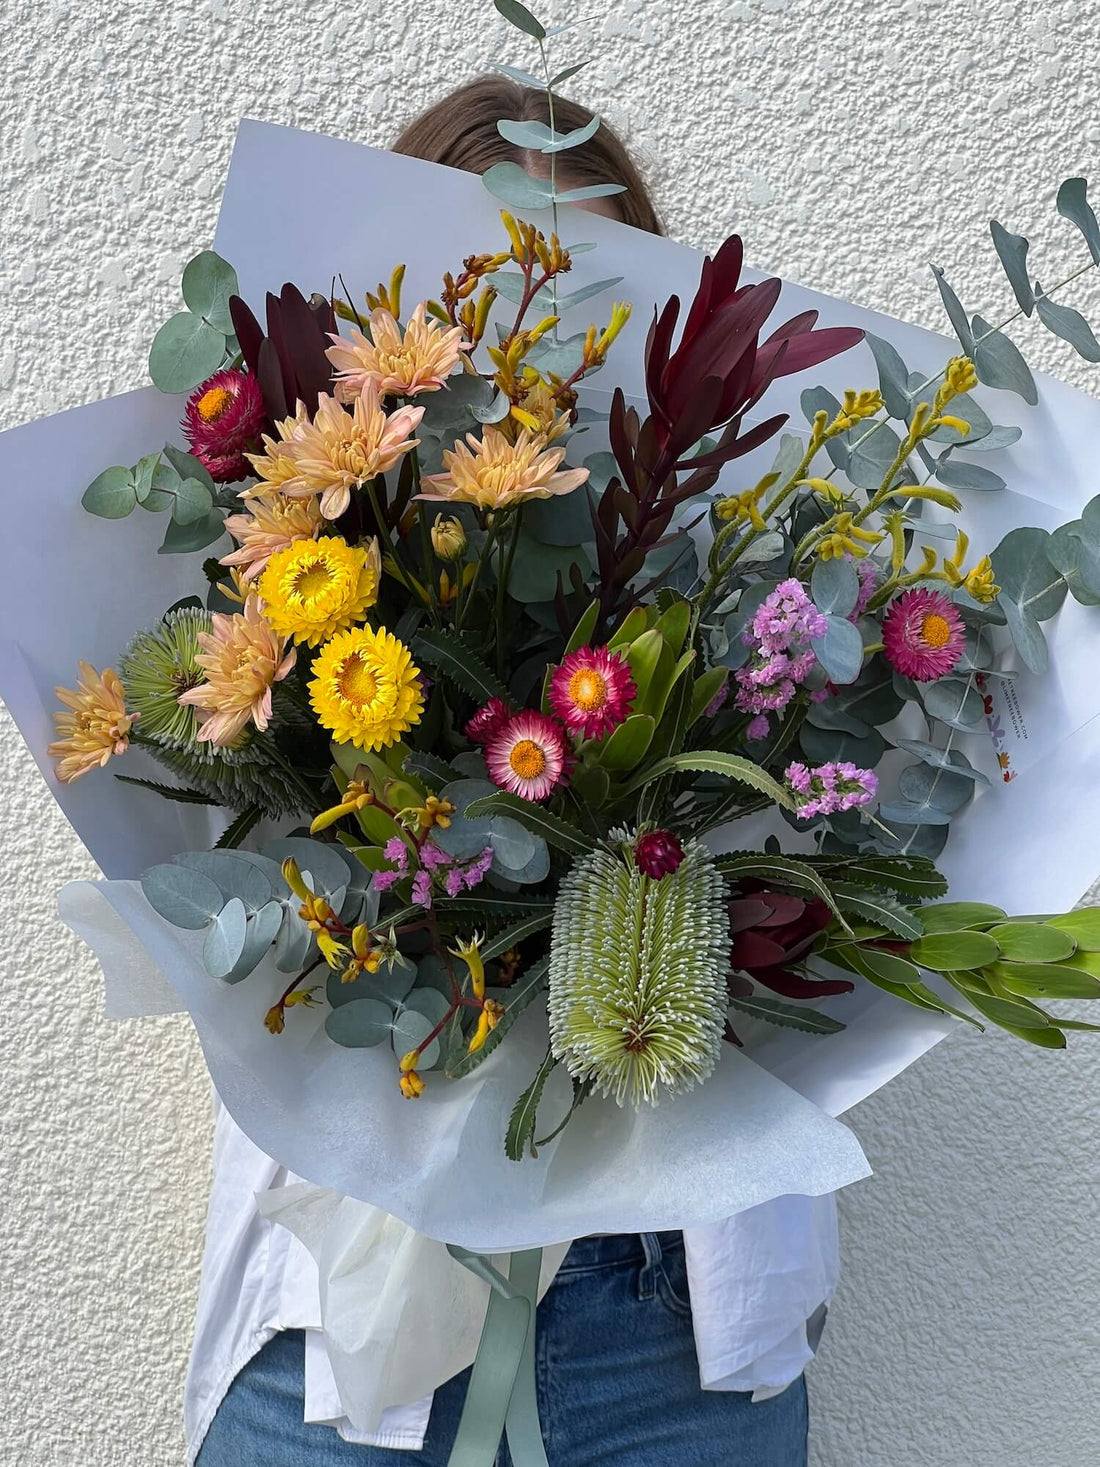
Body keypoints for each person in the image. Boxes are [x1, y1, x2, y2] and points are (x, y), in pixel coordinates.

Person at [192, 77, 835, 1467]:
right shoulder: (292, 590)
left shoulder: (759, 597)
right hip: (349, 1327)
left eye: (586, 295)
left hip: (665, 1335)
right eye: (489, 315)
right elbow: (238, 937)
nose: (536, 367)